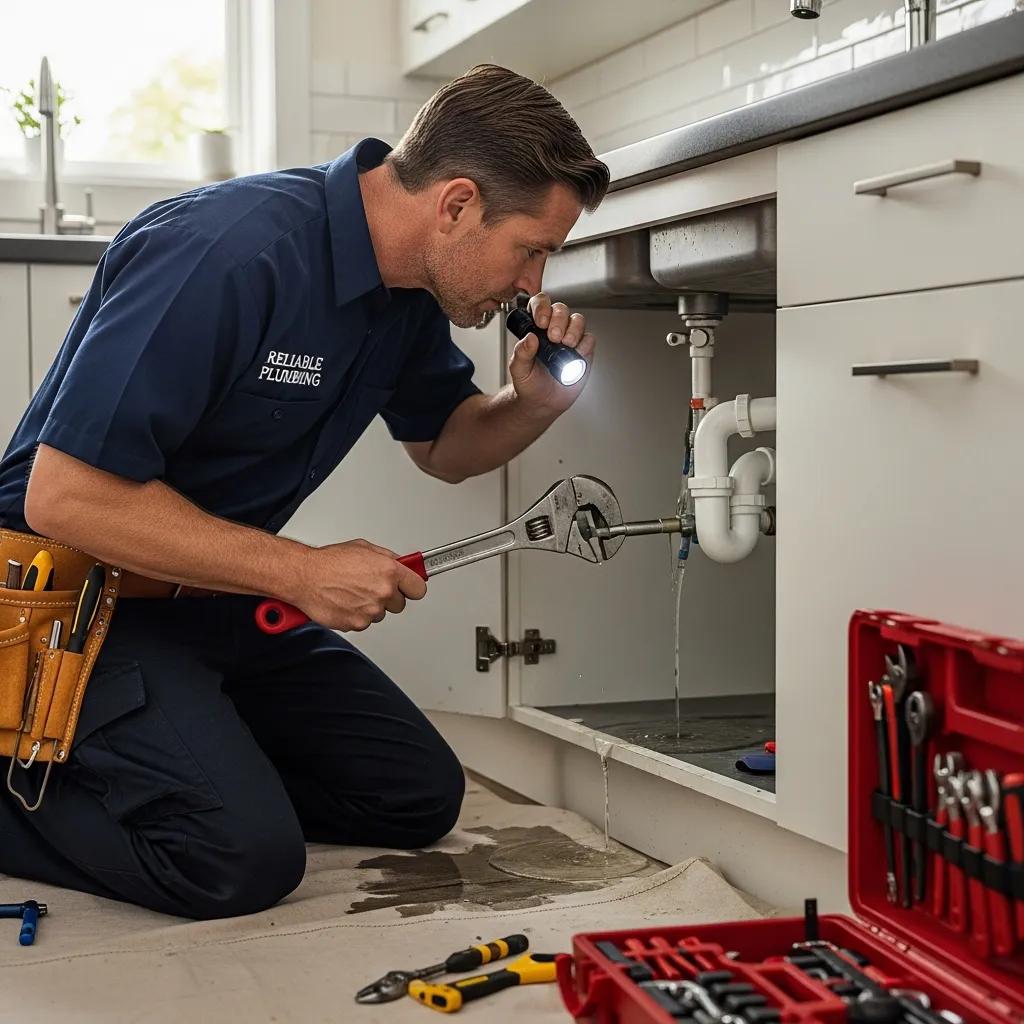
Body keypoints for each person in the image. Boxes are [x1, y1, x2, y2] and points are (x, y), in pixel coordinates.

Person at [0, 64, 609, 920]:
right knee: (235, 859)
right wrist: (297, 571)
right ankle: (40, 758)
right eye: (533, 248)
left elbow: (447, 445)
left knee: (416, 796)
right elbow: (64, 499)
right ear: (458, 204)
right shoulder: (229, 253)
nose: (534, 284)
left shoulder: (404, 295)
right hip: (70, 600)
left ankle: (179, 763)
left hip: (211, 594)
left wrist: (534, 402)